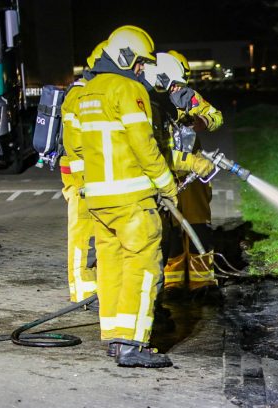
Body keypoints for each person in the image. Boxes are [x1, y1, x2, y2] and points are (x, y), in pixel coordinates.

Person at [75, 26, 201, 368]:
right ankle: (134, 345)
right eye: (143, 62)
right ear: (127, 58)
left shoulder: (89, 92)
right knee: (143, 266)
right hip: (131, 199)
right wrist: (167, 185)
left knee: (111, 268)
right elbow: (143, 144)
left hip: (99, 200)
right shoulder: (129, 89)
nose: (146, 70)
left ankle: (115, 339)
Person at [148, 50, 224, 296]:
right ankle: (173, 280)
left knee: (197, 224)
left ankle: (201, 280)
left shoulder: (187, 97)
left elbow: (216, 117)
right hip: (167, 171)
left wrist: (201, 121)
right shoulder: (148, 101)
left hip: (192, 174)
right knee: (170, 228)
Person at [60, 41, 106, 306]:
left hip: (87, 175)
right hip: (80, 179)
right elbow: (77, 142)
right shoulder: (79, 95)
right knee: (82, 236)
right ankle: (82, 291)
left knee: (91, 234)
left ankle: (91, 286)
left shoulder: (89, 92)